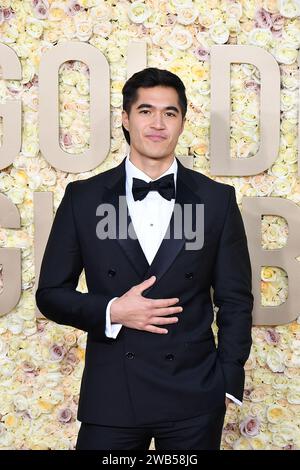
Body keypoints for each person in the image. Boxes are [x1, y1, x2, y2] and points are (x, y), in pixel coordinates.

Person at [36, 67, 253, 450]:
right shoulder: (84, 198)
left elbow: (235, 299)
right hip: (112, 393)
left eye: (170, 113)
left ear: (183, 122)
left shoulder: (214, 199)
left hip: (194, 395)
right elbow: (51, 293)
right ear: (125, 118)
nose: (158, 123)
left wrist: (228, 380)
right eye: (145, 111)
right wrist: (113, 311)